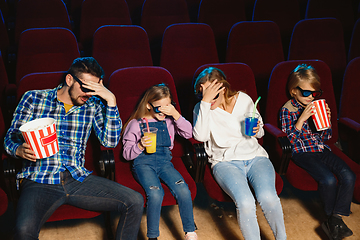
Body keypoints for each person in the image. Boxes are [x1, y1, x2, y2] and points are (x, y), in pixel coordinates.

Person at [4, 57, 144, 240]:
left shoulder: (93, 106)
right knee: (23, 231)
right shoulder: (34, 98)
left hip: (76, 178)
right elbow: (10, 138)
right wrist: (18, 150)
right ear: (69, 80)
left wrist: (111, 100)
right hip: (40, 179)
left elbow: (110, 142)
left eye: (94, 90)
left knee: (134, 201)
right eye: (85, 88)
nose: (88, 94)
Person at [193, 67, 287, 240]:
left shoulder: (244, 99)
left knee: (269, 198)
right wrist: (205, 104)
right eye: (202, 94)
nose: (207, 98)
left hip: (255, 157)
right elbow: (200, 136)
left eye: (212, 93)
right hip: (224, 162)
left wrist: (258, 129)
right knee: (245, 203)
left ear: (223, 88)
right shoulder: (201, 108)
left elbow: (260, 133)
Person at [280, 64, 356, 240]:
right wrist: (301, 120)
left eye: (315, 93)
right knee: (328, 180)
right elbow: (289, 142)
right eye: (306, 93)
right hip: (302, 152)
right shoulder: (287, 110)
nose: (311, 97)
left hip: (321, 149)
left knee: (349, 175)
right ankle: (331, 218)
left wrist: (326, 121)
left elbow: (326, 138)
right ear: (293, 91)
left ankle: (335, 218)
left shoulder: (317, 106)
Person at [122, 83, 197, 240]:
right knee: (156, 193)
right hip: (143, 164)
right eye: (159, 107)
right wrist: (140, 145)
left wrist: (176, 115)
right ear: (149, 105)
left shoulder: (170, 121)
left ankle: (190, 231)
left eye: (168, 106)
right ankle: (153, 236)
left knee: (183, 189)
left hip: (164, 162)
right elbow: (127, 155)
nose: (163, 111)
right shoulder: (136, 124)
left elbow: (189, 133)